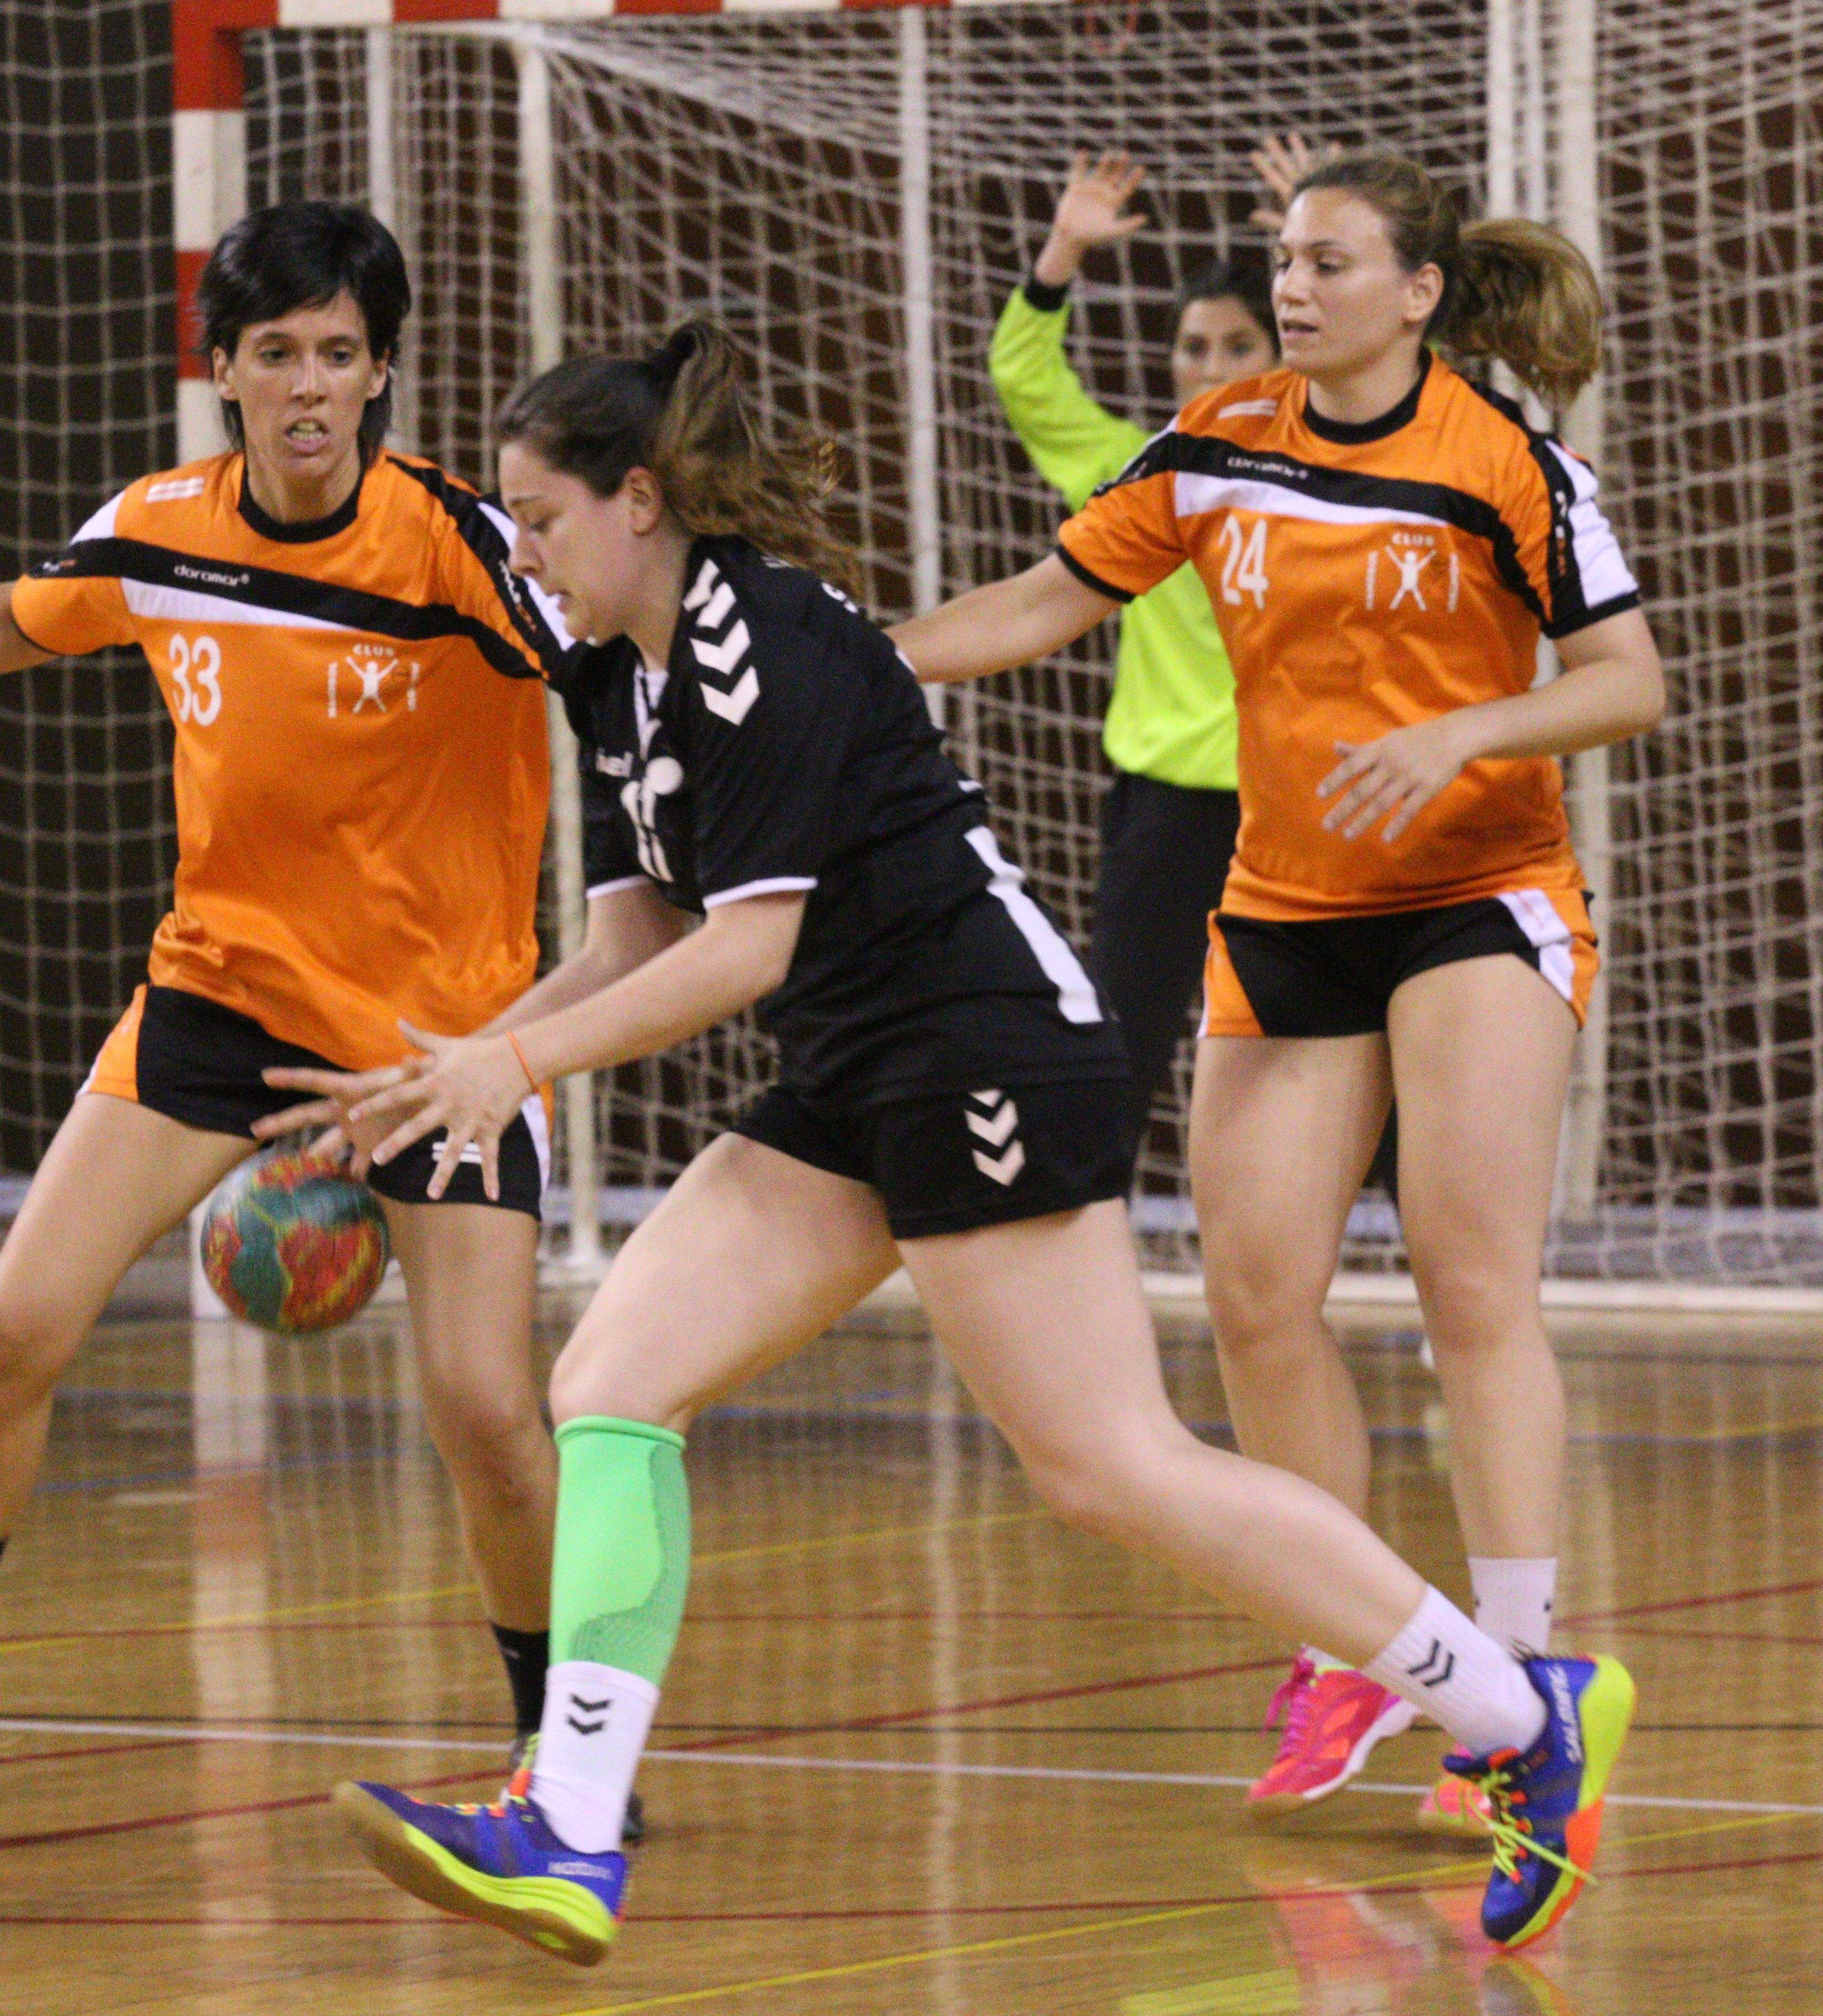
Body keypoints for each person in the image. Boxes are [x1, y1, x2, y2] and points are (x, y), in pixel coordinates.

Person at [258, 321, 1635, 1968]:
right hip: (856, 1072)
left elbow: (746, 949)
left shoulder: (756, 638)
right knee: (612, 1385)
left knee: (1109, 1467)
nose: (524, 549)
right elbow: (638, 939)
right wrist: (452, 1069)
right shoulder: (612, 676)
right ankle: (569, 1828)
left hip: (984, 1048)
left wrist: (514, 1064)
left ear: (639, 502)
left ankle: (1516, 1709)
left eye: (540, 517)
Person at [0, 202, 616, 1823]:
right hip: (218, 998)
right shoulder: (161, 526)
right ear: (220, 371)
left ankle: (563, 1755)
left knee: (488, 1412)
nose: (313, 386)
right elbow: (16, 617)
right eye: (279, 354)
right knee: (13, 1328)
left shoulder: (464, 548)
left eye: (343, 356)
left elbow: (622, 662)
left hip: (440, 1040)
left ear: (381, 375)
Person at [892, 148, 1666, 1833]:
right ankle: (1365, 1646)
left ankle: (1526, 1687)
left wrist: (1467, 730)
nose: (1295, 285)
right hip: (1288, 911)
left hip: (1478, 898)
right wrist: (862, 660)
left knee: (1471, 1287)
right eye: (1284, 256)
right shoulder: (1221, 442)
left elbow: (1628, 683)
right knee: (1253, 1298)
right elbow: (1043, 602)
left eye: (1329, 259)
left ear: (1419, 292)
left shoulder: (1507, 465)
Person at [989, 147, 1275, 1162]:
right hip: (1164, 809)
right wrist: (1063, 248)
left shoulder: (1341, 476)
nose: (1207, 367)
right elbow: (1026, 377)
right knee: (1120, 1050)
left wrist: (1317, 237)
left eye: (1237, 346)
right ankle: (1085, 1280)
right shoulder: (1132, 473)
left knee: (1325, 1053)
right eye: (1192, 347)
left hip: (1299, 808)